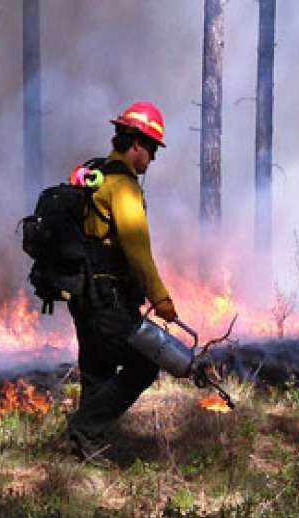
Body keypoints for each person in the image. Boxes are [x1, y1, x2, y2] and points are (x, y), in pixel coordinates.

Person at [64, 101, 178, 459]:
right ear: (138, 144)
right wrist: (161, 300)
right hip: (108, 297)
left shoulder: (94, 174)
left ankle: (86, 450)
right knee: (143, 365)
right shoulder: (123, 187)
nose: (153, 160)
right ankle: (84, 428)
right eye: (153, 150)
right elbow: (137, 251)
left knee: (97, 370)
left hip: (83, 293)